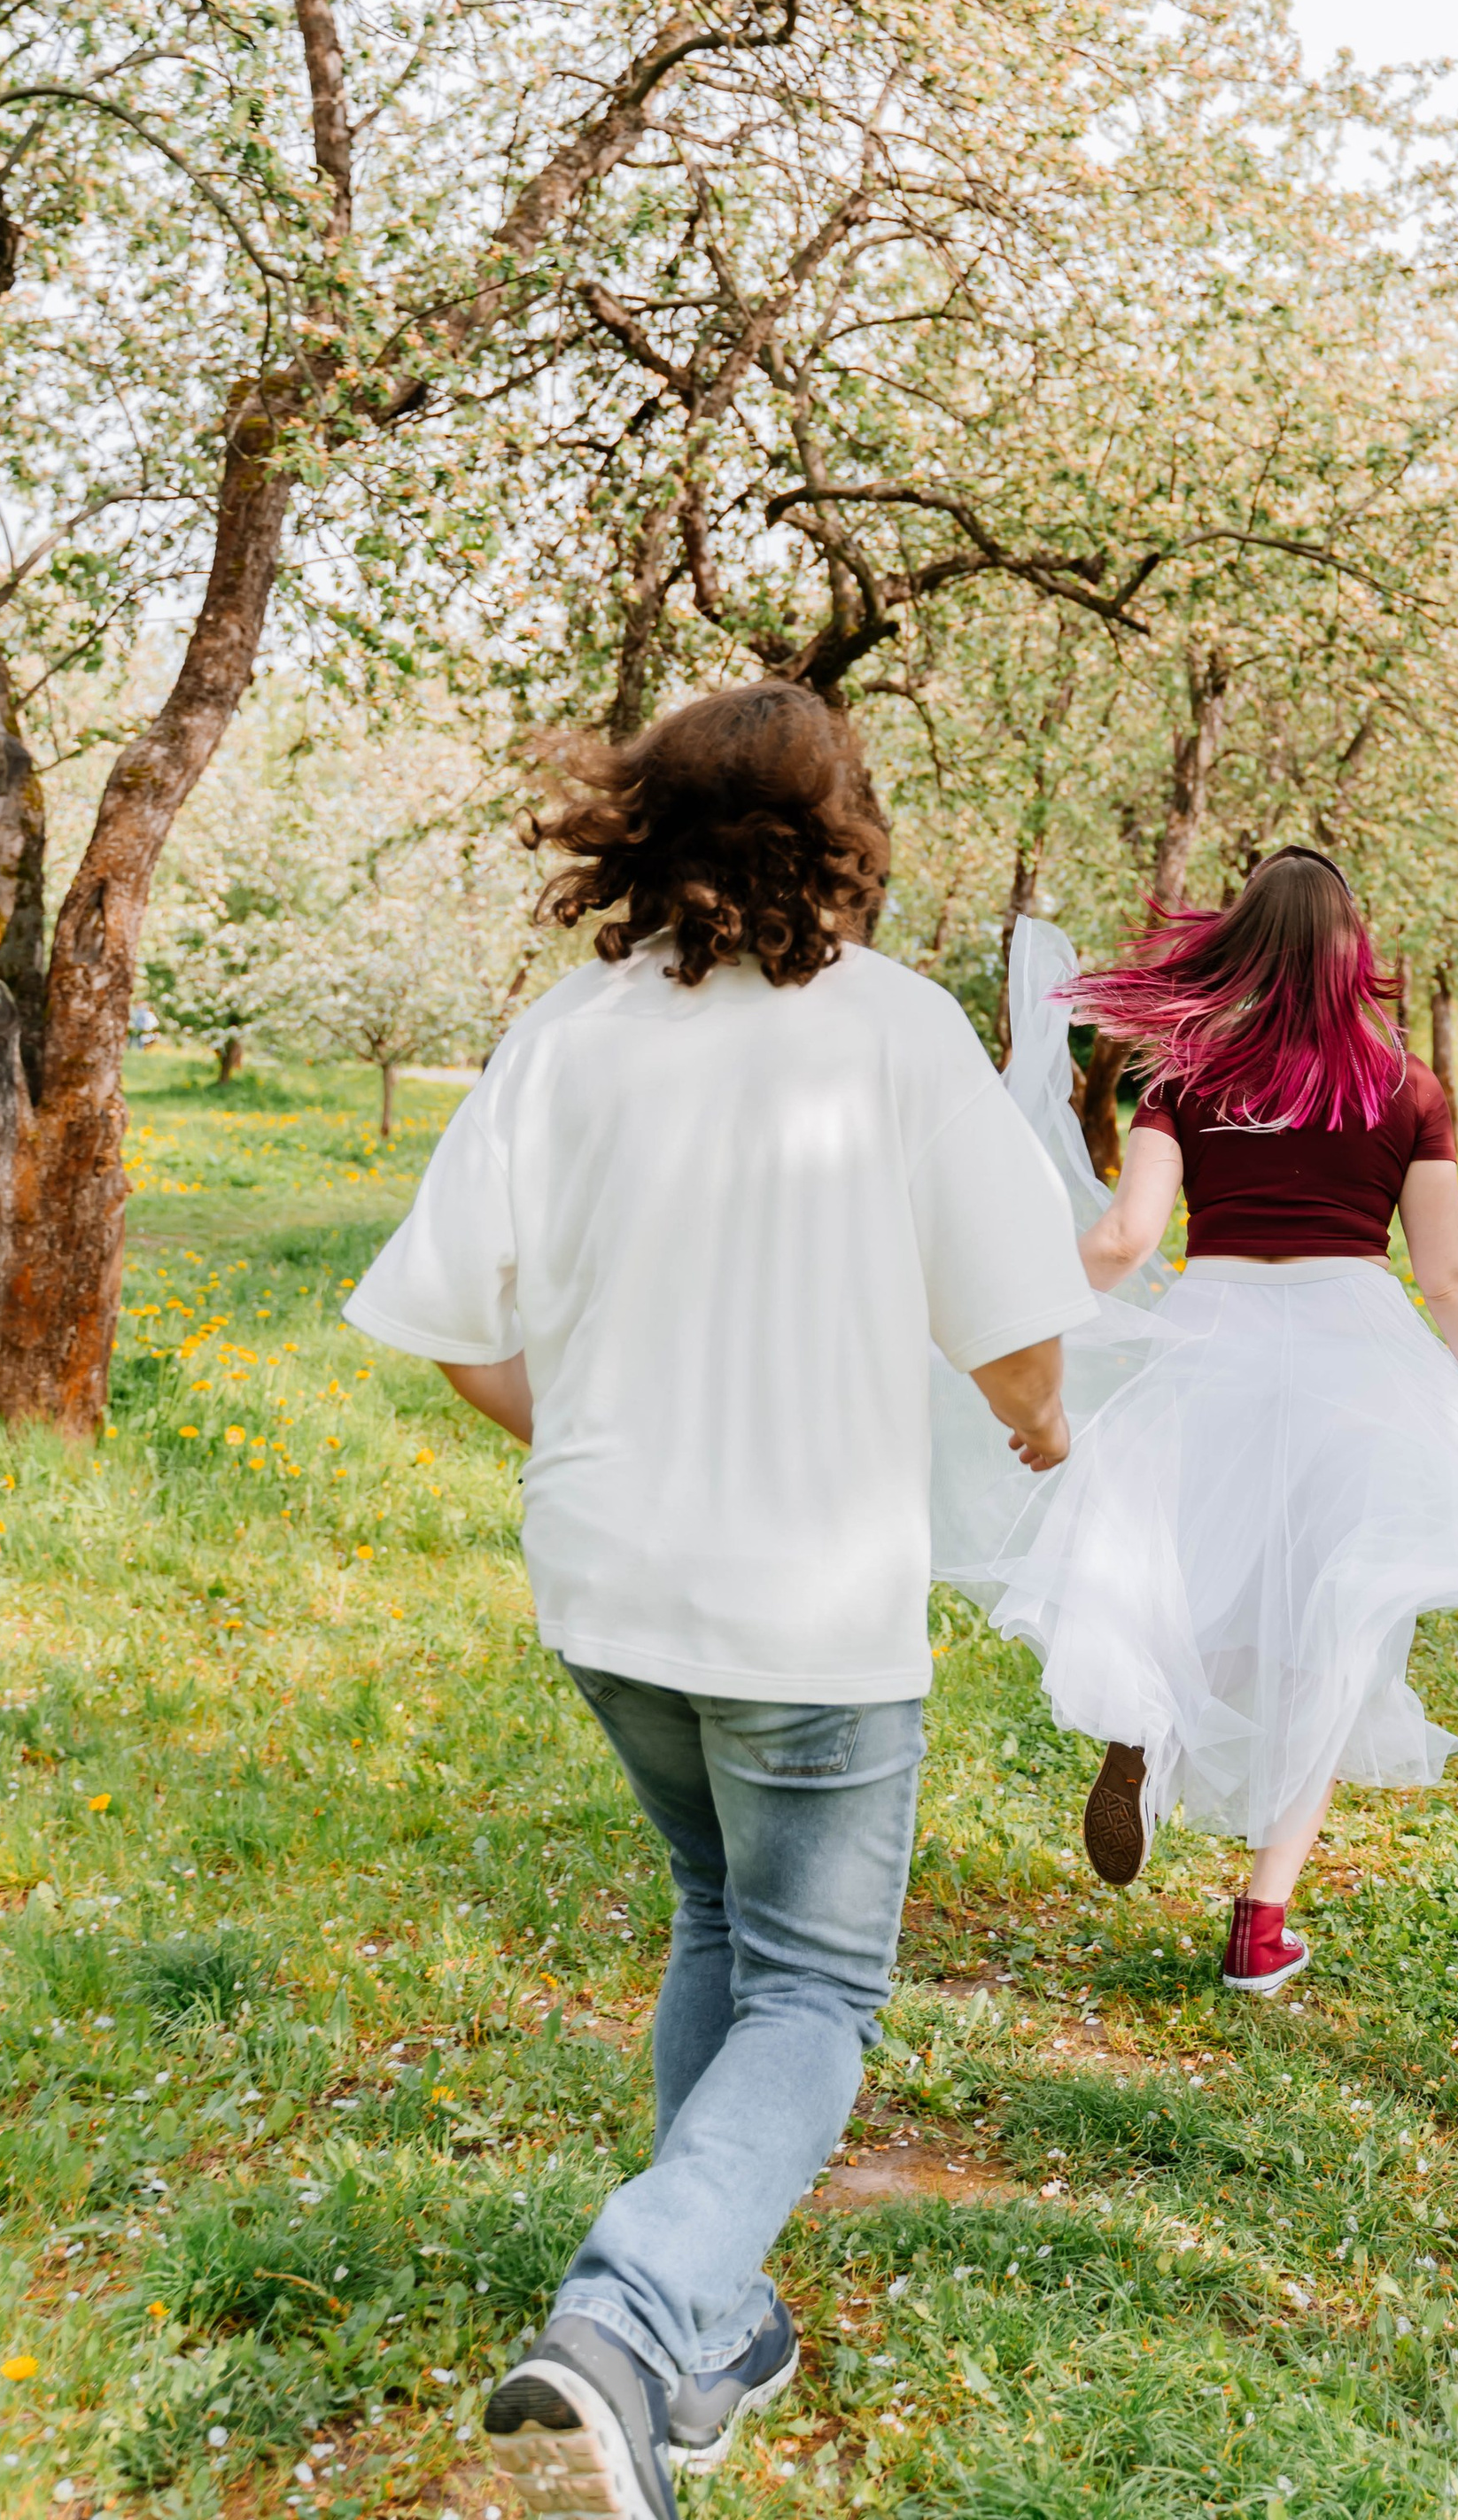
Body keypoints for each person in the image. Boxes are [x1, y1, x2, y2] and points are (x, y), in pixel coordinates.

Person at [341, 682, 1093, 2520]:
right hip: (808, 1600)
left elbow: (450, 1328)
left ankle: (707, 2328)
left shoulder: (565, 1039)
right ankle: (626, 2312)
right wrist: (1044, 1431)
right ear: (846, 835)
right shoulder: (898, 1037)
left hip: (610, 1588)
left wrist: (582, 1429)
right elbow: (1010, 1337)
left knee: (715, 1912)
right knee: (817, 1985)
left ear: (640, 830)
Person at [968, 851, 1458, 2000]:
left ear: (1239, 946)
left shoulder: (1185, 1077)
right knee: (1343, 1620)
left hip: (1211, 1336)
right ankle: (1261, 1923)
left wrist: (1009, 1308)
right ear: (1351, 953)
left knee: (1207, 1569)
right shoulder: (1406, 1088)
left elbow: (1129, 1237)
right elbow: (1455, 1281)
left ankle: (1151, 1715)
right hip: (1356, 1350)